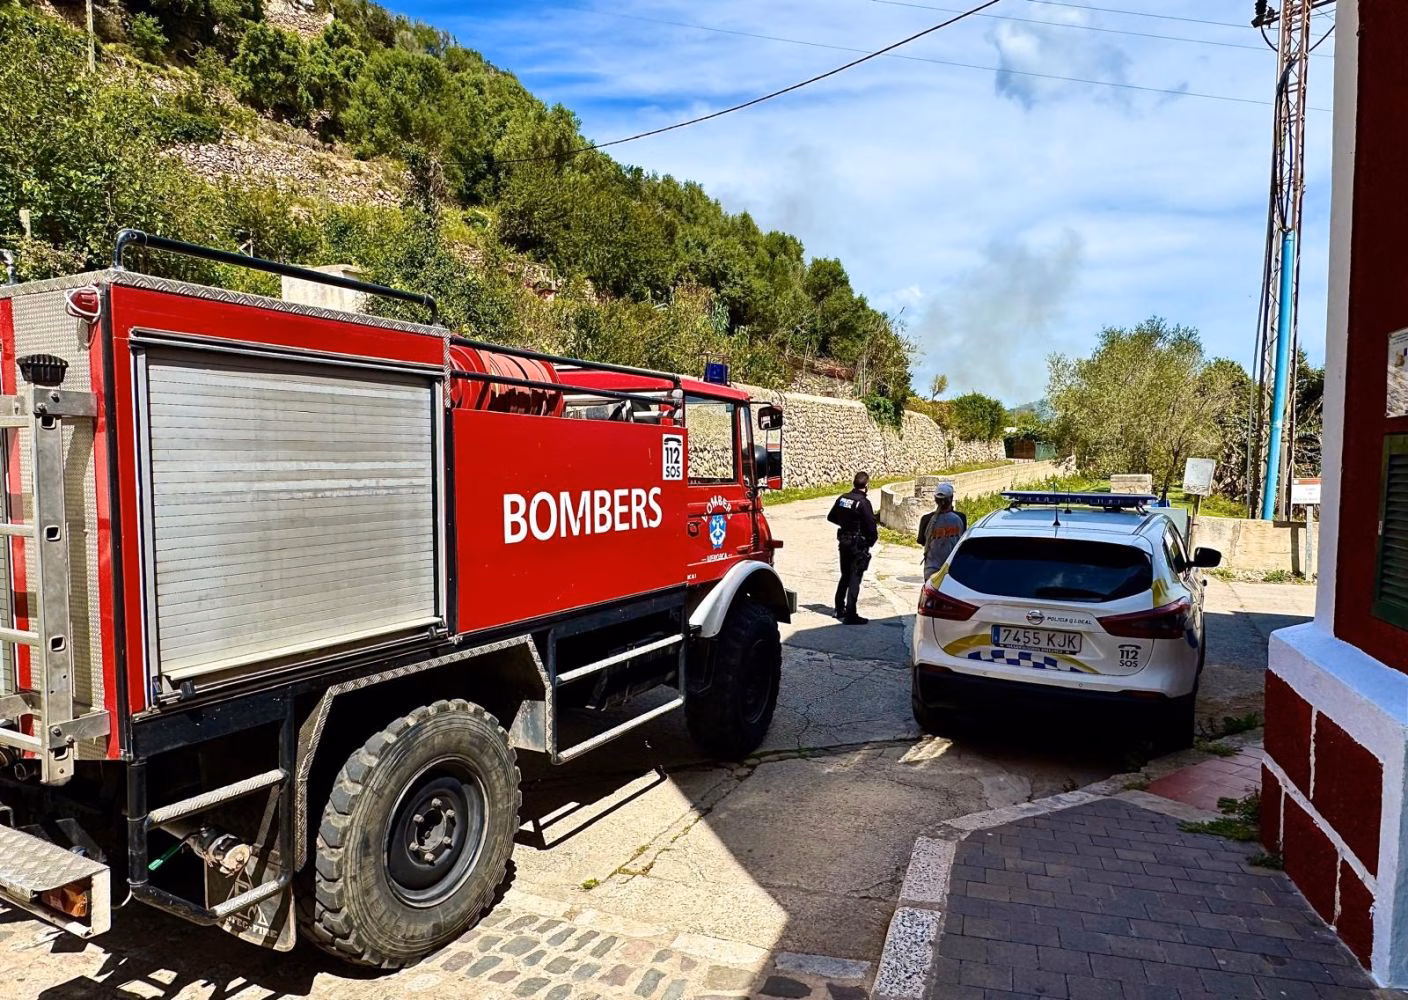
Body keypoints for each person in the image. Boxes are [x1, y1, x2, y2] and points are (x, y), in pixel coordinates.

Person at [827, 471, 878, 624]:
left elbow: (831, 516)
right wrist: (869, 542)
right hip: (857, 544)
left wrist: (845, 525)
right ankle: (851, 614)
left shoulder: (843, 498)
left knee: (845, 575)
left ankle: (838, 608)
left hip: (844, 541)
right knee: (855, 577)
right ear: (867, 485)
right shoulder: (863, 503)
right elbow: (871, 527)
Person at [918, 482, 966, 580]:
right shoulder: (961, 518)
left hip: (931, 571)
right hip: (953, 570)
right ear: (951, 498)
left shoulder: (926, 519)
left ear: (935, 500)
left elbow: (922, 541)